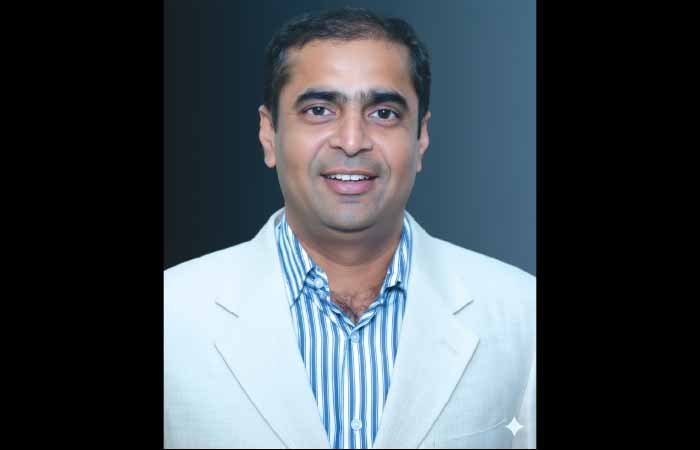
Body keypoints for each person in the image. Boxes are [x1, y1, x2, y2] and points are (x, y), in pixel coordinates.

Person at [164, 7, 535, 449]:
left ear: (420, 138)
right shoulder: (173, 315)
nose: (353, 141)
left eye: (384, 113)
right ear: (268, 133)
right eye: (319, 110)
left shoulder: (521, 313)